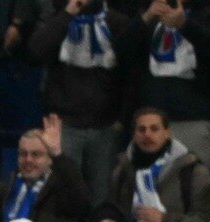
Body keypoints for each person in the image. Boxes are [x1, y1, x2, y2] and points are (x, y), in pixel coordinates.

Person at [28, 0, 132, 205]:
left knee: (102, 198)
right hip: (65, 123)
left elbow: (132, 73)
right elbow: (35, 52)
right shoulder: (59, 19)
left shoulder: (117, 22)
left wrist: (122, 117)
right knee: (63, 193)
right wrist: (68, 13)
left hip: (106, 124)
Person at [116, 0, 210, 166]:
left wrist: (186, 25)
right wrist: (146, 18)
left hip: (192, 119)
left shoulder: (207, 13)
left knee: (195, 185)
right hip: (150, 120)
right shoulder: (147, 14)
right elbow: (120, 54)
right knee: (148, 187)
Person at [108, 107, 210, 222]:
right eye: (141, 129)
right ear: (134, 134)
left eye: (154, 129)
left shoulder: (193, 171)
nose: (147, 134)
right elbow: (111, 215)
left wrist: (164, 220)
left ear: (167, 133)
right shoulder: (121, 169)